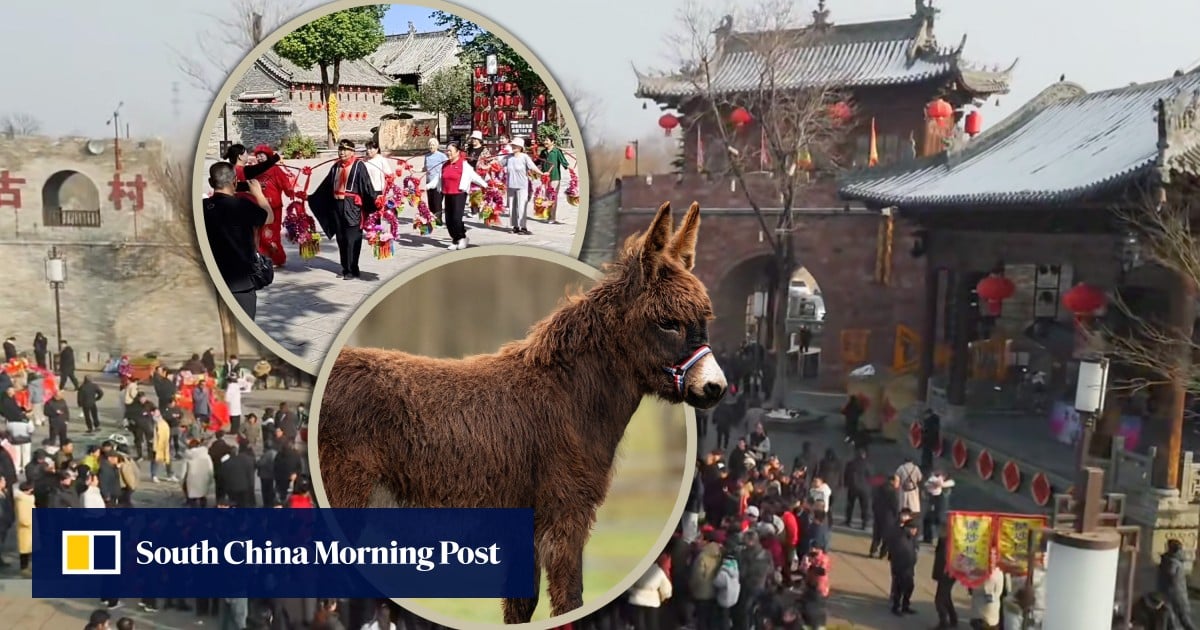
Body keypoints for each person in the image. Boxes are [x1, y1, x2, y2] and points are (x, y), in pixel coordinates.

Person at [203, 162, 271, 318]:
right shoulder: (243, 205)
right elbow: (269, 217)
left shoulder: (203, 207)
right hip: (241, 284)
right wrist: (258, 194)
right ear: (235, 181)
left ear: (211, 182)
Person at [309, 139, 378, 280]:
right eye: (340, 150)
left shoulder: (359, 166)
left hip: (352, 206)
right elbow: (326, 186)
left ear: (352, 152)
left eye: (346, 150)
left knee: (352, 238)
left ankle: (353, 268)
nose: (342, 152)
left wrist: (374, 201)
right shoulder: (335, 166)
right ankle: (345, 267)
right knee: (341, 238)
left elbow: (367, 186)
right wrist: (310, 197)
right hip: (336, 206)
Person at [428, 141, 487, 251]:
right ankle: (455, 239)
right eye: (447, 151)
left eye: (450, 151)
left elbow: (475, 177)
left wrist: (486, 185)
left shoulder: (463, 165)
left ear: (457, 152)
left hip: (459, 194)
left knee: (456, 218)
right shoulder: (445, 165)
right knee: (449, 220)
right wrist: (427, 186)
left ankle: (461, 238)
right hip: (447, 194)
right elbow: (437, 179)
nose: (448, 153)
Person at [250, 144, 293, 268]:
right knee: (261, 234)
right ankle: (264, 258)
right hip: (259, 207)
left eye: (262, 156)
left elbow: (285, 183)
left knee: (272, 234)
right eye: (258, 156)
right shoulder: (255, 170)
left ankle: (277, 258)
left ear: (268, 156)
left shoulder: (275, 170)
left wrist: (290, 192)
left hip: (274, 207)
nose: (260, 158)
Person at [498, 137, 542, 235]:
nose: (513, 147)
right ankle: (515, 226)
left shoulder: (524, 157)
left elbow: (533, 167)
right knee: (512, 207)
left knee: (522, 206)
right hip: (511, 185)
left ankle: (523, 227)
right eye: (513, 145)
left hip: (522, 185)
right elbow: (498, 165)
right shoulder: (508, 157)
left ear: (520, 147)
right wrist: (489, 163)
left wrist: (542, 174)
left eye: (515, 146)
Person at [1158, 538, 1197, 630]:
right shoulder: (1176, 560)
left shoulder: (1173, 562)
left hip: (1175, 595)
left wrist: (1164, 560)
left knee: (1184, 620)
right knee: (1172, 619)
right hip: (1177, 594)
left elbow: (1169, 573)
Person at [627, 555, 673, 630]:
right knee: (652, 625)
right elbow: (666, 590)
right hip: (652, 601)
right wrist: (663, 597)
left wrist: (633, 591)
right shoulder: (658, 571)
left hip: (636, 600)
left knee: (638, 625)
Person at [888, 519, 919, 615]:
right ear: (908, 528)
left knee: (910, 587)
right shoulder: (900, 537)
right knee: (899, 588)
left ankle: (905, 605)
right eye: (914, 529)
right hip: (901, 568)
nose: (915, 531)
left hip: (909, 567)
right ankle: (896, 606)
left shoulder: (911, 538)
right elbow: (896, 553)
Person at [537, 136, 570, 224]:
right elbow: (538, 162)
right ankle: (548, 215)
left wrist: (570, 168)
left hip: (555, 177)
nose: (545, 142)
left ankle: (553, 217)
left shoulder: (557, 151)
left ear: (552, 142)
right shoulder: (543, 152)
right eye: (544, 140)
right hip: (545, 177)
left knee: (553, 197)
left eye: (547, 140)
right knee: (546, 197)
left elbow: (563, 161)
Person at [841, 447, 872, 529]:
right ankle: (864, 523)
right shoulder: (867, 464)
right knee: (864, 507)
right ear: (864, 455)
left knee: (850, 505)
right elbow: (870, 476)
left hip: (852, 487)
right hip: (864, 488)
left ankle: (848, 521)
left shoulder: (850, 463)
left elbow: (846, 475)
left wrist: (846, 484)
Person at [932, 535, 958, 629]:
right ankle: (953, 618)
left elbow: (943, 558)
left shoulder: (949, 539)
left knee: (939, 600)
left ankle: (943, 623)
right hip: (946, 572)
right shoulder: (945, 539)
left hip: (947, 573)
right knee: (945, 596)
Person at [923, 470, 955, 544]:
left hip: (941, 503)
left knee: (939, 521)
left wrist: (938, 482)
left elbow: (942, 484)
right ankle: (928, 538)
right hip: (936, 502)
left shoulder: (949, 482)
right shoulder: (932, 480)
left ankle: (940, 539)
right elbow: (929, 483)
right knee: (929, 520)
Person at [971, 560, 1005, 629]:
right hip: (991, 612)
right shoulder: (999, 572)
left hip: (983, 612)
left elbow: (980, 587)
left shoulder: (988, 573)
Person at [421, 137, 448, 224]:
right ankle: (432, 219)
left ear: (437, 146)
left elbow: (447, 167)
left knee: (437, 202)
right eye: (430, 145)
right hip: (429, 181)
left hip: (438, 182)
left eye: (433, 145)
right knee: (431, 202)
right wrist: (415, 170)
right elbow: (425, 168)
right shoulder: (427, 156)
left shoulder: (442, 156)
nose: (431, 147)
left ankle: (438, 221)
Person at [920, 408, 941, 473]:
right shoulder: (936, 419)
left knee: (926, 452)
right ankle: (929, 464)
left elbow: (925, 430)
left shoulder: (928, 421)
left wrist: (923, 433)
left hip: (927, 438)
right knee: (929, 452)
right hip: (933, 438)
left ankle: (925, 465)